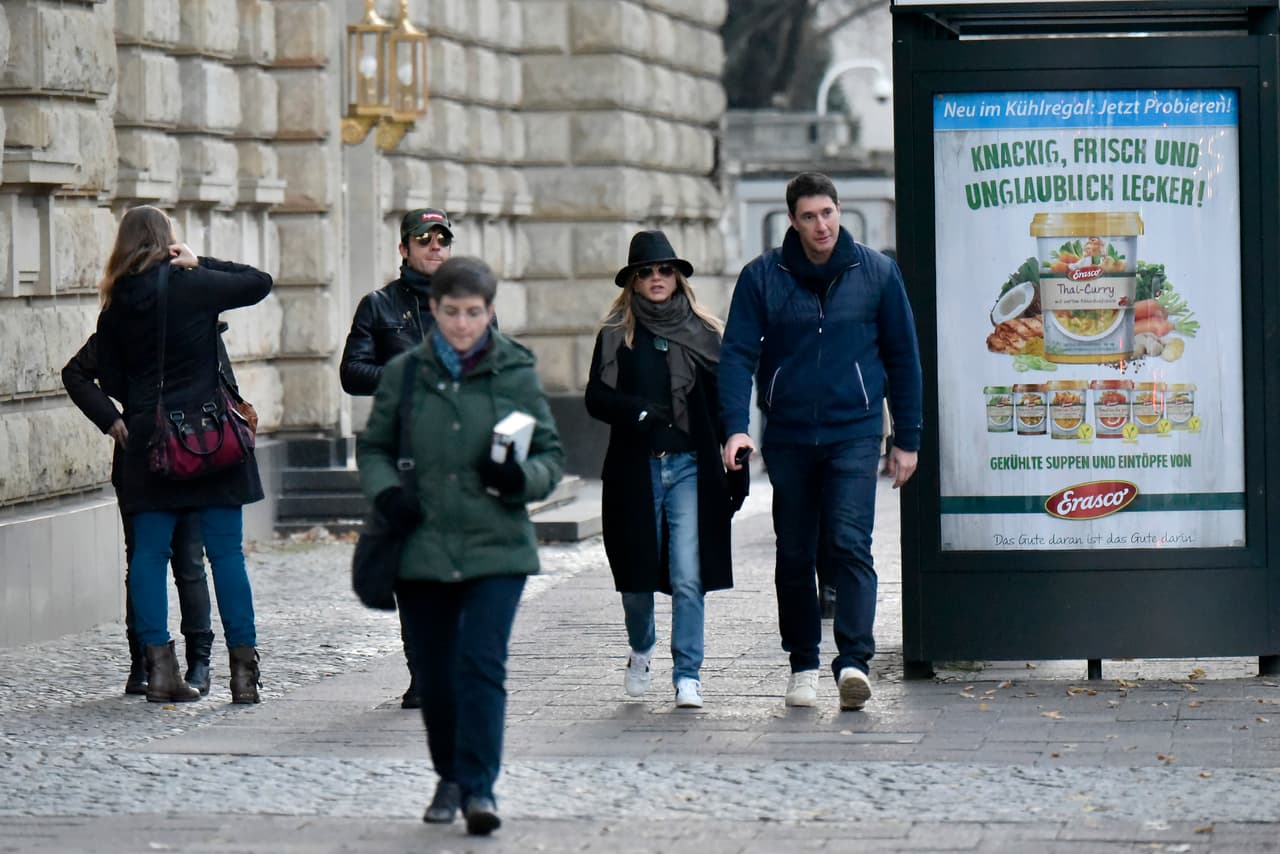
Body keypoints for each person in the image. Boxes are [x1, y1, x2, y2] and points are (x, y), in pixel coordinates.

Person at [357, 256, 563, 836]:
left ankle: (480, 788)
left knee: (482, 666)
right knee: (438, 675)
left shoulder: (515, 370)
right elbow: (372, 448)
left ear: (490, 311)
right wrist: (388, 494)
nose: (464, 324)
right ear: (434, 309)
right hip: (422, 546)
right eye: (452, 312)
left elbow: (550, 453)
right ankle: (448, 774)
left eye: (475, 313)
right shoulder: (405, 374)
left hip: (497, 545)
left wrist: (522, 481)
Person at [719, 172, 923, 712]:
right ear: (793, 220)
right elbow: (737, 354)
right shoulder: (763, 277)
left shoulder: (877, 273)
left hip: (855, 431)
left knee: (850, 543)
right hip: (787, 434)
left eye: (828, 212)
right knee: (794, 552)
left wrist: (907, 437)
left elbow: (903, 358)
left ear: (840, 210)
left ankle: (854, 661)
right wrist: (736, 426)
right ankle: (803, 663)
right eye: (809, 216)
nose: (821, 224)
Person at [93, 204, 273, 704]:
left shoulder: (116, 305)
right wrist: (199, 262)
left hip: (150, 441)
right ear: (168, 240)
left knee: (149, 557)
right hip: (210, 437)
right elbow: (259, 281)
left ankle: (162, 672)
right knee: (226, 555)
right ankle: (242, 673)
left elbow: (110, 379)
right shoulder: (194, 285)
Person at [585, 230, 735, 710]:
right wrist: (640, 412)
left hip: (690, 466)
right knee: (636, 579)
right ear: (632, 280)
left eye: (664, 270)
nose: (656, 278)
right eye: (646, 271)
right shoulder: (616, 334)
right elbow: (596, 397)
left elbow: (726, 399)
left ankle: (688, 674)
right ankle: (641, 647)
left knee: (688, 574)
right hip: (635, 469)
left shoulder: (705, 332)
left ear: (677, 277)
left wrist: (736, 447)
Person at [63, 332, 228, 696]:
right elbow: (75, 373)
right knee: (146, 560)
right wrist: (111, 418)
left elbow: (222, 383)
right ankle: (144, 662)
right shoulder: (125, 317)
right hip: (140, 457)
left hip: (188, 451)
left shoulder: (194, 312)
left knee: (187, 562)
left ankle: (197, 663)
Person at [340, 207, 454, 710]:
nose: (434, 246)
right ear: (404, 248)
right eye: (423, 238)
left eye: (441, 238)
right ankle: (423, 673)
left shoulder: (468, 304)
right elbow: (353, 372)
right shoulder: (380, 305)